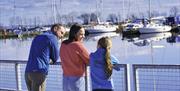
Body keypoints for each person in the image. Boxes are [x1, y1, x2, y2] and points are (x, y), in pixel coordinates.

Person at [25, 24, 65, 91]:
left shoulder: (37, 37)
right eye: (61, 32)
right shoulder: (53, 38)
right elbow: (55, 58)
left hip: (28, 72)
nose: (62, 36)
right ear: (55, 29)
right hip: (39, 72)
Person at [60, 24, 89, 91]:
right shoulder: (77, 45)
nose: (83, 36)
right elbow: (89, 60)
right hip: (77, 79)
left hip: (66, 78)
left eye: (84, 34)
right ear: (74, 34)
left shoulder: (63, 44)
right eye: (81, 34)